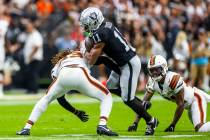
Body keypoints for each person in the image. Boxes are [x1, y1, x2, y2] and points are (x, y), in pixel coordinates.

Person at [79, 7, 158, 135]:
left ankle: (151, 121)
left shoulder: (101, 33)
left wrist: (84, 50)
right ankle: (141, 104)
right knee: (109, 87)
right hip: (121, 62)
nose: (85, 28)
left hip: (129, 63)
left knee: (128, 99)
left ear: (94, 22)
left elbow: (92, 60)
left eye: (87, 25)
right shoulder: (104, 25)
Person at [16, 50, 118, 136]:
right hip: (79, 73)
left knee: (45, 99)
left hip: (63, 75)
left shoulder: (58, 64)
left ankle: (26, 128)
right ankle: (102, 125)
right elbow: (97, 57)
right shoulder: (80, 52)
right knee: (106, 96)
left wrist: (76, 112)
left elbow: (60, 98)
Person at [128, 55, 210, 132]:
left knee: (200, 128)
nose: (154, 73)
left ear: (164, 67)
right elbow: (143, 104)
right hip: (188, 105)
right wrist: (135, 123)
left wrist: (172, 125)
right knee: (199, 127)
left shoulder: (173, 79)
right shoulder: (152, 82)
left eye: (157, 69)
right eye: (152, 70)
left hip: (195, 98)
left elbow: (180, 104)